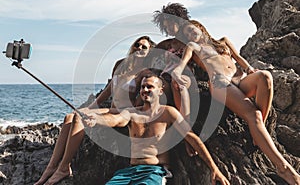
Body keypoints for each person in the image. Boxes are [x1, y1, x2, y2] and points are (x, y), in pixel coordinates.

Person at [171, 19, 300, 185]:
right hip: (219, 83)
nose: (191, 34)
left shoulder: (223, 41)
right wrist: (176, 73)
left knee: (265, 77)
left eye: (192, 29)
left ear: (200, 27)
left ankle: (258, 133)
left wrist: (249, 70)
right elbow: (181, 64)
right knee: (253, 115)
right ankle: (284, 169)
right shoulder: (193, 47)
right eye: (187, 34)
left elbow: (238, 58)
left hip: (240, 79)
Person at [34, 36, 156, 185]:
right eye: (138, 44)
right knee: (69, 117)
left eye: (144, 47)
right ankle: (51, 166)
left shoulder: (145, 73)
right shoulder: (121, 65)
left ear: (149, 52)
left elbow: (141, 100)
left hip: (123, 114)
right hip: (111, 109)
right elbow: (109, 89)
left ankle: (64, 167)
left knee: (79, 119)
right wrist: (92, 107)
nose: (140, 48)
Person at [83, 72, 230, 185]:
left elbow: (192, 138)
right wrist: (97, 119)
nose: (145, 90)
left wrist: (214, 169)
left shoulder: (168, 113)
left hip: (155, 171)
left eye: (150, 87)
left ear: (160, 91)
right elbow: (115, 120)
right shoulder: (132, 112)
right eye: (142, 87)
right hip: (128, 172)